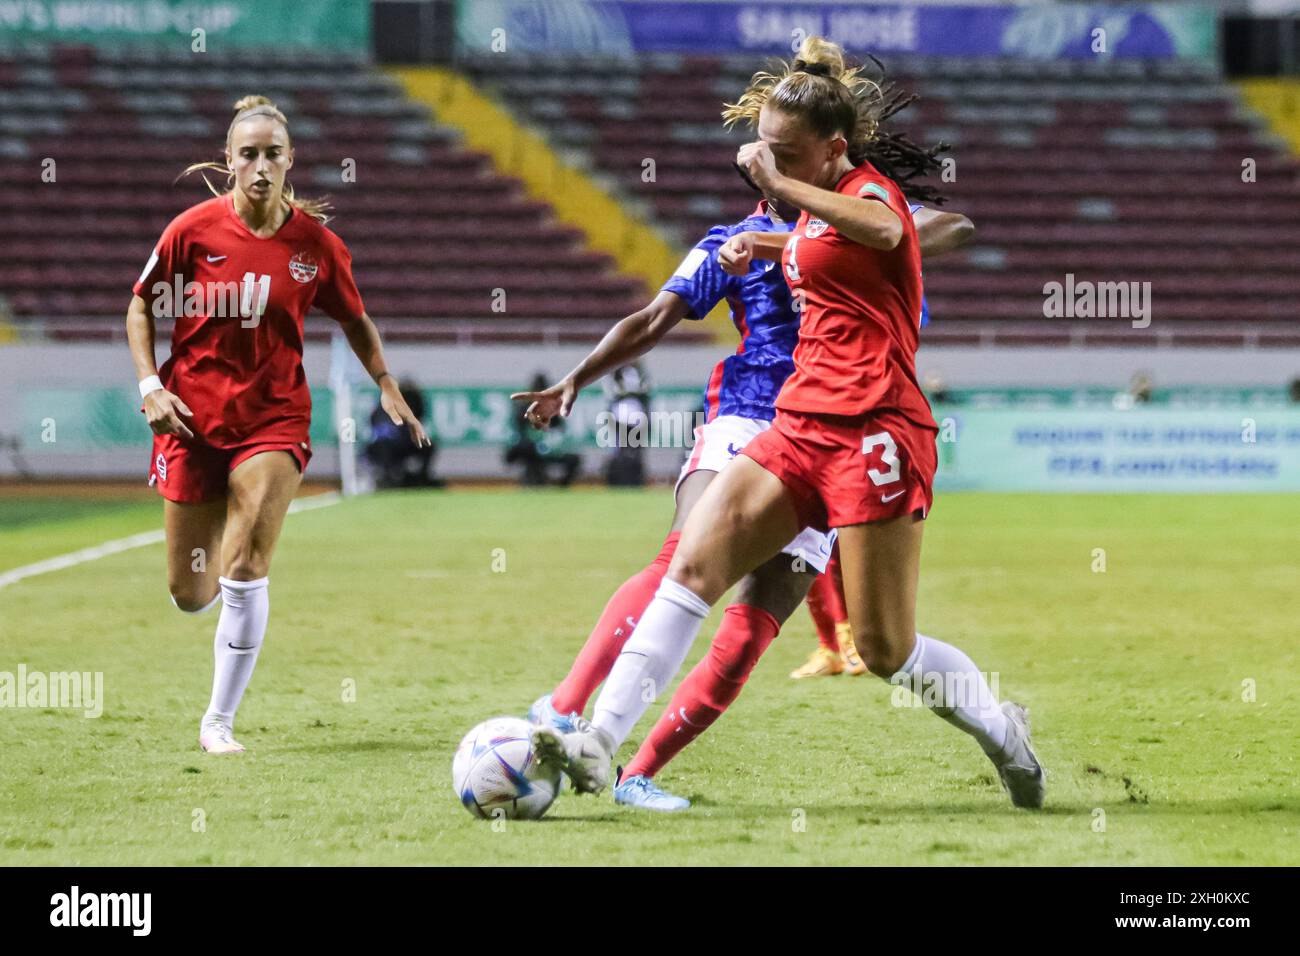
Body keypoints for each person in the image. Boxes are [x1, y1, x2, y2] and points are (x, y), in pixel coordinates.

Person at [531, 37, 1045, 811]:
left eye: (779, 151)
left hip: (877, 432)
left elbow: (888, 233)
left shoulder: (872, 195)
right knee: (691, 569)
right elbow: (802, 242)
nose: (755, 160)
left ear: (833, 150)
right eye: (759, 146)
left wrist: (781, 196)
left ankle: (1002, 731)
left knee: (885, 650)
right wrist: (770, 227)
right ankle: (597, 744)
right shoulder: (794, 217)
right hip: (795, 424)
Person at [126, 95, 429, 755]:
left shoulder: (316, 248)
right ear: (229, 161)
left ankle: (218, 721)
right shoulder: (191, 232)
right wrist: (150, 384)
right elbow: (140, 309)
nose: (260, 166)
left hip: (274, 417)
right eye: (248, 155)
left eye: (273, 154)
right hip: (192, 417)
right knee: (189, 591)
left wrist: (383, 381)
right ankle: (223, 588)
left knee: (244, 562)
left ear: (291, 160)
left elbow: (355, 319)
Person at [506, 372, 581, 486]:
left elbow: (559, 432)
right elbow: (518, 433)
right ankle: (532, 479)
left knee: (573, 459)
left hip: (548, 448)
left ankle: (561, 487)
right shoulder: (523, 409)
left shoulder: (552, 408)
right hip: (528, 448)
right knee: (527, 450)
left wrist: (550, 443)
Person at [366, 378, 441, 488]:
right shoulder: (386, 402)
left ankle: (423, 477)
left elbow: (419, 419)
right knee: (384, 446)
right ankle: (387, 477)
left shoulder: (415, 405)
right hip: (388, 443)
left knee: (428, 444)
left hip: (407, 442)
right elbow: (376, 423)